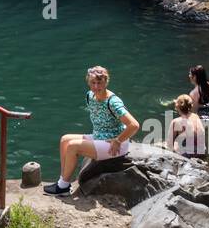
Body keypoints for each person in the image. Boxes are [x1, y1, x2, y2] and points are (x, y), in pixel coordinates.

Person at [44, 66, 140, 196]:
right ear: (88, 82)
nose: (96, 86)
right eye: (93, 83)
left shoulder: (113, 102)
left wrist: (118, 140)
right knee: (65, 139)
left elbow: (134, 125)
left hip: (114, 144)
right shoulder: (90, 96)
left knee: (73, 146)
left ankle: (62, 187)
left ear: (106, 82)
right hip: (99, 136)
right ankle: (63, 182)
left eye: (99, 83)